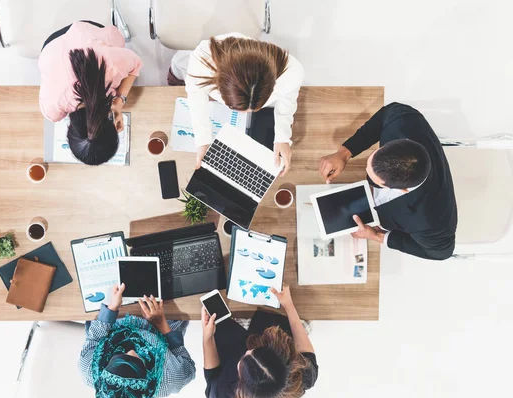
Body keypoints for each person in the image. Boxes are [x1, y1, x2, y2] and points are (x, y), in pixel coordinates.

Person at [318, 102, 458, 260]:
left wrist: (377, 236)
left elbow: (441, 253)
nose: (367, 176)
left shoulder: (431, 223)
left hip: (405, 214)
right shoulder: (404, 121)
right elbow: (386, 115)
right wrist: (344, 154)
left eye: (375, 181)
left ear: (403, 190)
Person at [170, 33, 304, 177]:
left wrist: (282, 137)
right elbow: (196, 95)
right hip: (185, 70)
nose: (244, 114)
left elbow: (287, 101)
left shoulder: (292, 72)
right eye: (235, 108)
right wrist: (203, 142)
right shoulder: (201, 60)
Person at [39, 21, 142, 165]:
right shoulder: (51, 110)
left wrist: (120, 99)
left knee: (117, 39)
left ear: (111, 122)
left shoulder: (111, 64)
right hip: (52, 49)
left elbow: (136, 63)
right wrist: (117, 102)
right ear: (70, 128)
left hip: (77, 33)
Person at [79, 284, 196, 398]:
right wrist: (161, 325)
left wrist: (112, 308)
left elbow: (94, 339)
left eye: (120, 355)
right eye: (137, 360)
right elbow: (187, 364)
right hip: (161, 324)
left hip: (116, 319)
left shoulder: (88, 369)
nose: (131, 351)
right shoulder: (172, 379)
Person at [202, 284, 318, 398]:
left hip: (230, 346)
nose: (247, 351)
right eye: (254, 351)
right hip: (266, 329)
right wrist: (288, 305)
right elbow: (306, 353)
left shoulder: (223, 394)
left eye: (245, 359)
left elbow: (212, 376)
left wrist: (208, 337)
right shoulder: (301, 377)